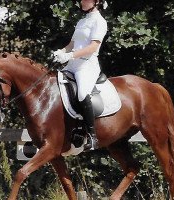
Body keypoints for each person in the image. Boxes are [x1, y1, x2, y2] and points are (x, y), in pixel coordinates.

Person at [53, 0, 108, 150]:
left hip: (87, 65)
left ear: (96, 2)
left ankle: (91, 135)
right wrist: (61, 52)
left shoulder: (100, 22)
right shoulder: (82, 21)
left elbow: (92, 47)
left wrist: (70, 56)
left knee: (82, 94)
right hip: (73, 64)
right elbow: (72, 44)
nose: (81, 1)